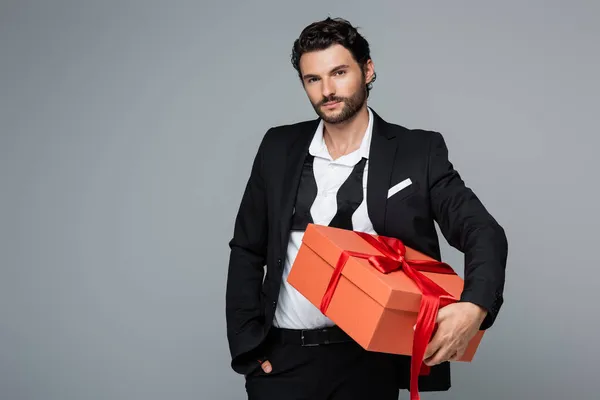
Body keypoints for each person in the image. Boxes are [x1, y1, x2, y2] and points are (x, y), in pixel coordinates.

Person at [225, 17, 508, 400]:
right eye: (313, 79)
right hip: (281, 362)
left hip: (369, 362)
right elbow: (246, 248)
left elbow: (483, 231)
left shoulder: (417, 152)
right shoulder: (278, 147)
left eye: (339, 72)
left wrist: (475, 307)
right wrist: (247, 346)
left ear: (368, 69)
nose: (327, 90)